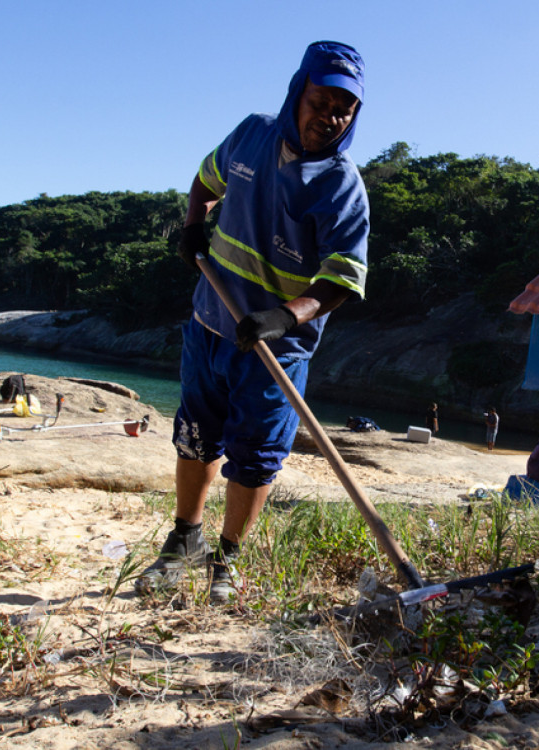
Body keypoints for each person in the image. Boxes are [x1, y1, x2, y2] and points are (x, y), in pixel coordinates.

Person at [135, 41, 369, 600]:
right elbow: (205, 180)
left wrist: (286, 317)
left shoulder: (342, 186)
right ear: (298, 92)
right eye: (322, 100)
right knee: (195, 437)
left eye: (345, 108)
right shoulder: (251, 134)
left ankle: (227, 558)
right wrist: (195, 225)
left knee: (255, 455)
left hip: (274, 347)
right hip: (210, 323)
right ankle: (184, 540)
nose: (330, 117)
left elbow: (343, 277)